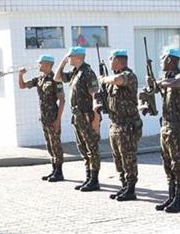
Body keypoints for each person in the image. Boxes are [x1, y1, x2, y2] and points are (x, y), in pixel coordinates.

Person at [140, 47, 180, 213]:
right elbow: (151, 91)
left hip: (177, 126)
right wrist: (150, 85)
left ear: (170, 60)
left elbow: (176, 83)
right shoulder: (165, 78)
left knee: (177, 163)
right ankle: (171, 196)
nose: (161, 62)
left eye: (162, 59)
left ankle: (179, 199)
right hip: (166, 126)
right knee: (167, 163)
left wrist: (158, 82)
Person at [55, 47, 101, 192]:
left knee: (92, 149)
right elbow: (57, 77)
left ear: (77, 57)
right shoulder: (76, 72)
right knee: (83, 148)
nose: (68, 59)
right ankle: (88, 177)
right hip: (77, 117)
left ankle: (94, 180)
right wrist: (62, 63)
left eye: (69, 56)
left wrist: (96, 118)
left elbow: (95, 95)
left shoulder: (88, 73)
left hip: (88, 116)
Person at [98, 50, 140, 201]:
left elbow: (118, 79)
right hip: (115, 124)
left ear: (117, 60)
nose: (109, 61)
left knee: (128, 157)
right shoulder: (111, 80)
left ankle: (131, 189)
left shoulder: (128, 75)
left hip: (127, 124)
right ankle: (124, 185)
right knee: (118, 158)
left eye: (111, 58)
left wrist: (103, 79)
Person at [19, 55, 66, 182]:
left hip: (53, 117)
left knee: (56, 145)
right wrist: (20, 75)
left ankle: (59, 172)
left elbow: (62, 100)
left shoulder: (56, 79)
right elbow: (22, 86)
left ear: (47, 64)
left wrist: (58, 119)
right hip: (44, 117)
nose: (38, 65)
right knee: (50, 145)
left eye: (40, 63)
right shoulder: (39, 79)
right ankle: (53, 170)